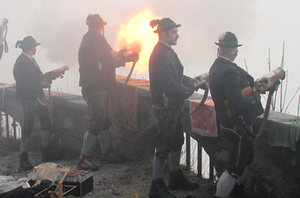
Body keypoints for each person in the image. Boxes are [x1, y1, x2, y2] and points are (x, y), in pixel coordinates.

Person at [77, 14, 139, 171]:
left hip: (96, 86)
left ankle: (106, 153)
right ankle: (83, 158)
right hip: (96, 87)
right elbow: (109, 61)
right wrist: (126, 59)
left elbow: (110, 56)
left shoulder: (90, 38)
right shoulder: (97, 39)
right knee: (96, 123)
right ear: (101, 27)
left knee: (104, 123)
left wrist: (125, 54)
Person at [148, 18, 199, 198]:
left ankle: (175, 176)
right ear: (164, 34)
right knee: (163, 145)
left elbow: (177, 75)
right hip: (165, 108)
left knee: (176, 140)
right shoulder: (161, 54)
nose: (178, 34)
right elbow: (169, 86)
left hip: (173, 106)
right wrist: (189, 90)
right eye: (174, 32)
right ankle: (156, 186)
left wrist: (193, 81)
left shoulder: (168, 51)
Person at [209, 32, 264, 198]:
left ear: (219, 49)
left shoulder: (216, 66)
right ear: (235, 51)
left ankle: (238, 192)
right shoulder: (230, 71)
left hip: (227, 122)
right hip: (235, 124)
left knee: (242, 161)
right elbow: (236, 103)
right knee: (234, 169)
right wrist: (255, 97)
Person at [13, 36, 62, 171]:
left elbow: (39, 76)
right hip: (29, 99)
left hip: (37, 98)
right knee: (28, 127)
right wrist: (41, 83)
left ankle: (46, 152)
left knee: (46, 122)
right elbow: (24, 84)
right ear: (31, 47)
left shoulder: (31, 60)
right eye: (34, 46)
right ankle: (23, 158)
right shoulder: (21, 63)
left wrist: (51, 77)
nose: (35, 49)